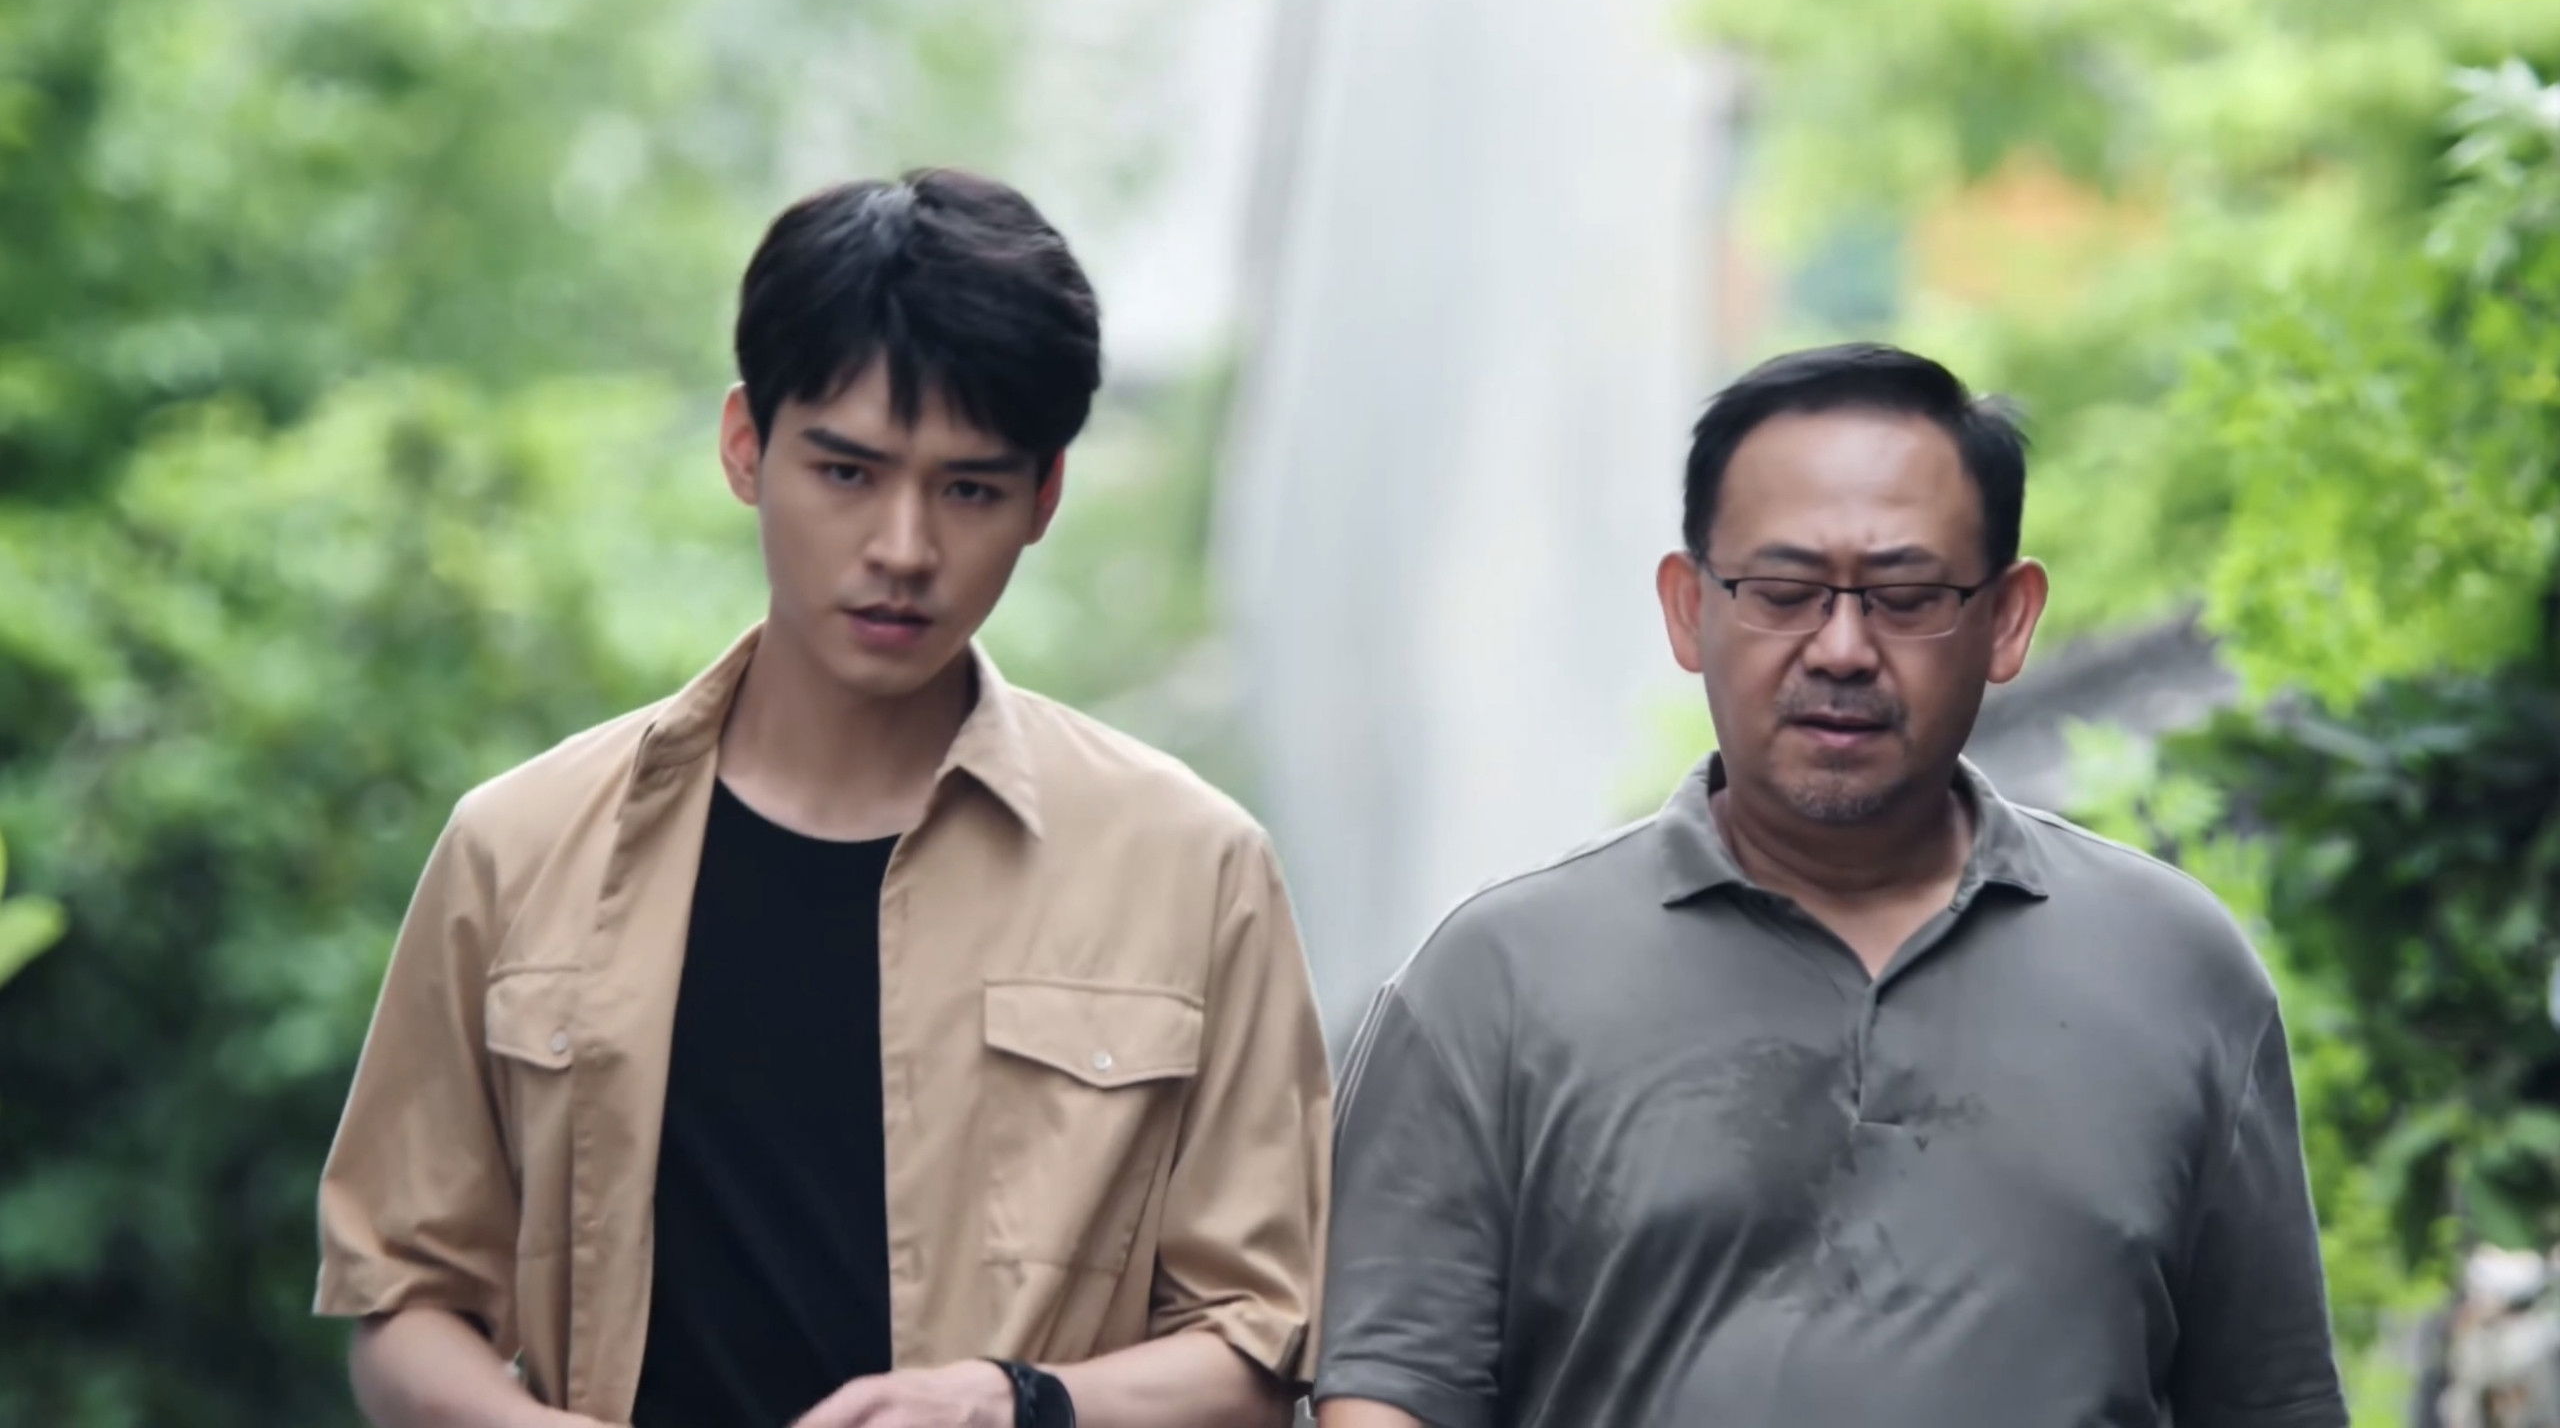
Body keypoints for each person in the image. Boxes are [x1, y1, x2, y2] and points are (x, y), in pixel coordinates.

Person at [316, 169, 1330, 1428]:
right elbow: (402, 1295)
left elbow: (1262, 1343)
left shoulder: (1191, 867)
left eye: (969, 488)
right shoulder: (519, 847)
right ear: (746, 445)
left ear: (1044, 498)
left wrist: (1012, 1408)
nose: (903, 547)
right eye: (847, 472)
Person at [1314, 343, 2345, 1427]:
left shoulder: (2175, 971)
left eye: (1906, 596)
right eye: (1783, 592)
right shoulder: (1497, 986)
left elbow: (2272, 1402)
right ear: (1686, 608)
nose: (1842, 648)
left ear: (2007, 619)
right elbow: (1388, 1397)